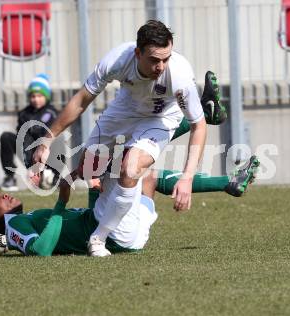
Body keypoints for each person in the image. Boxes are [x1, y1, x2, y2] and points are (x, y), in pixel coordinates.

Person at [31, 20, 217, 256]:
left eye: (166, 58)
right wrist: (47, 139)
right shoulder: (118, 60)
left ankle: (98, 238)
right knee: (89, 170)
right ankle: (118, 187)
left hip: (160, 118)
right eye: (154, 60)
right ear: (137, 53)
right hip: (124, 110)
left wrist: (187, 178)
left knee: (131, 168)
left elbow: (198, 126)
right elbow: (81, 100)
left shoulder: (179, 75)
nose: (161, 66)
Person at [0, 156, 260, 257]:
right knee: (124, 159)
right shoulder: (14, 226)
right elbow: (41, 251)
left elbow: (73, 227)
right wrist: (61, 202)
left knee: (148, 176)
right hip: (111, 231)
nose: (4, 196)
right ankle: (188, 121)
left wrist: (91, 194)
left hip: (123, 234)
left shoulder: (25, 218)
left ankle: (228, 182)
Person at [0, 73, 58, 191]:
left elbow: (47, 134)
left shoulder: (51, 113)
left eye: (40, 96)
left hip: (46, 151)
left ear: (46, 96)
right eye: (33, 96)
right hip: (28, 149)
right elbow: (22, 135)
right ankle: (10, 177)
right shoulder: (24, 113)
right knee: (6, 137)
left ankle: (53, 175)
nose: (36, 99)